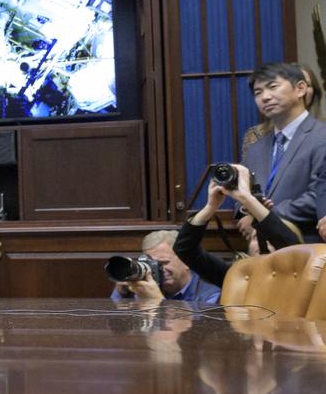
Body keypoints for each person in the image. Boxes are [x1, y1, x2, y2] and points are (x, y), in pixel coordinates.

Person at [175, 163, 302, 290]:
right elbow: (185, 249)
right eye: (255, 238)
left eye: (272, 239)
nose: (262, 244)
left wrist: (246, 198)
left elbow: (292, 249)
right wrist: (210, 207)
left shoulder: (300, 274)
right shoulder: (237, 276)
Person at [239, 62, 326, 239]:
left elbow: (319, 194)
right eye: (258, 92)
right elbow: (243, 192)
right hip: (262, 249)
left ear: (301, 88)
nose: (265, 97)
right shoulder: (256, 148)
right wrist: (244, 209)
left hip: (307, 247)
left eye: (273, 87)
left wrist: (263, 214)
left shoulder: (321, 136)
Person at [109, 229, 221, 306]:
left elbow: (198, 332)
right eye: (151, 264)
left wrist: (156, 301)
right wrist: (121, 295)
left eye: (163, 263)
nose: (157, 270)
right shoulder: (141, 285)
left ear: (187, 261)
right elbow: (115, 325)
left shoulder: (210, 295)